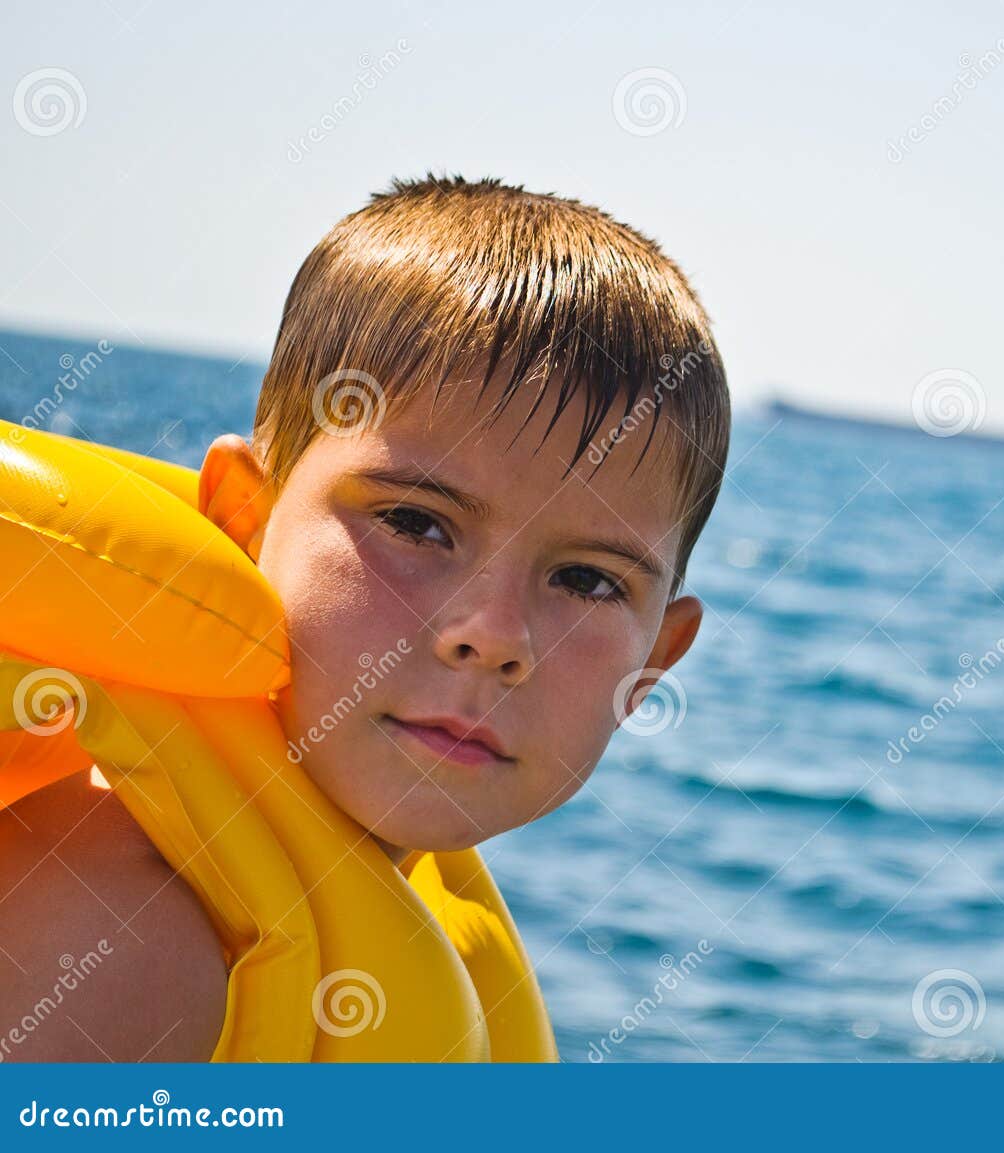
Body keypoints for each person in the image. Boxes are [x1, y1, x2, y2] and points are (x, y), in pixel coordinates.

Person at [0, 174, 731, 1060]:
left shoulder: (411, 916)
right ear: (245, 518)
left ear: (653, 664)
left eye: (585, 580)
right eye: (416, 524)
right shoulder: (125, 939)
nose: (494, 635)